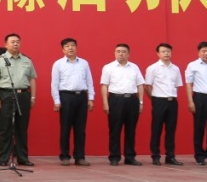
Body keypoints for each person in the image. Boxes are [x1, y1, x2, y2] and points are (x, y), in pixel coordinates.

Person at [0, 33, 37, 166]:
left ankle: (22, 157)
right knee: (5, 128)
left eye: (17, 42)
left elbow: (32, 79)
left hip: (23, 95)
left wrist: (33, 96)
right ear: (6, 44)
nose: (15, 44)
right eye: (12, 42)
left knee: (22, 128)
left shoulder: (27, 60)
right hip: (6, 95)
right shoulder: (0, 60)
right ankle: (4, 158)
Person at [51, 38, 95, 166]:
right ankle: (65, 156)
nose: (70, 48)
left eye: (73, 45)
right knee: (65, 128)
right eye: (67, 46)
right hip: (66, 96)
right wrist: (56, 100)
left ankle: (79, 157)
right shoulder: (58, 64)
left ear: (76, 47)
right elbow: (54, 84)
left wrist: (91, 98)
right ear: (63, 49)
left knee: (80, 129)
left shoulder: (84, 63)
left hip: (81, 96)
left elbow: (89, 81)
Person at [100, 43, 146, 166]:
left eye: (123, 51)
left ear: (128, 54)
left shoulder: (134, 67)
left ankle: (130, 157)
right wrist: (105, 103)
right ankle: (114, 156)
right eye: (118, 51)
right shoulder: (108, 67)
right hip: (116, 100)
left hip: (132, 100)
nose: (121, 54)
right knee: (115, 129)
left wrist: (141, 102)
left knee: (131, 130)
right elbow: (104, 86)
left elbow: (140, 85)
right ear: (114, 53)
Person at [144, 43, 184, 166]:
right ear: (158, 53)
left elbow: (177, 85)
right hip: (159, 101)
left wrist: (171, 96)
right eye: (163, 51)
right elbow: (147, 86)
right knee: (156, 129)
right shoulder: (153, 68)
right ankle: (155, 156)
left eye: (168, 51)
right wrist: (154, 99)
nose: (166, 53)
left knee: (171, 130)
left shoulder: (175, 69)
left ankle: (170, 156)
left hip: (172, 101)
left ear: (171, 52)